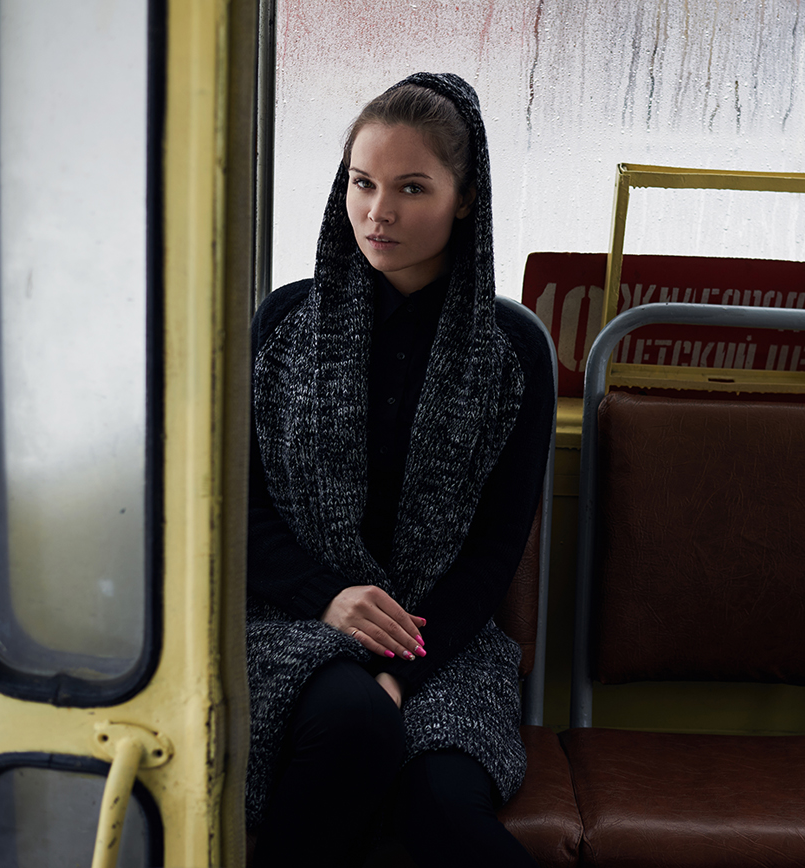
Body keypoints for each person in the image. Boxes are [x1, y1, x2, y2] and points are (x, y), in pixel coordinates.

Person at [244, 72, 551, 867]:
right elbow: (237, 512)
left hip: (443, 643)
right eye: (362, 183)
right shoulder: (284, 325)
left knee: (444, 809)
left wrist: (401, 674)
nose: (378, 212)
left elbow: (494, 552)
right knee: (353, 724)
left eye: (412, 188)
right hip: (290, 626)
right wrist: (327, 597)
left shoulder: (514, 352)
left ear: (466, 198)